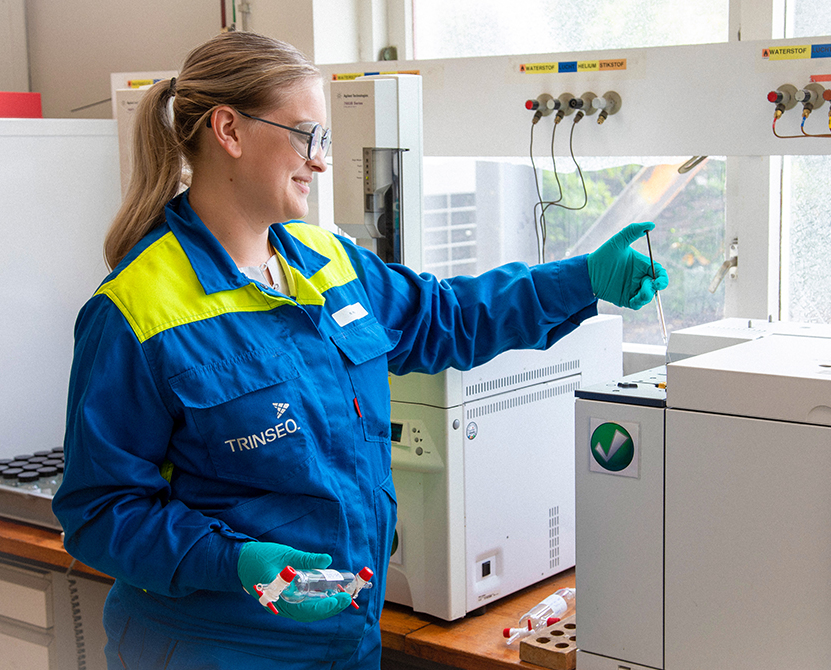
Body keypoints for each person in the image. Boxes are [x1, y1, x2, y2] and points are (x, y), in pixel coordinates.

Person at [52, 31, 668, 670]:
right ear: (228, 130)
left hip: (344, 639)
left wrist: (581, 279)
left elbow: (443, 317)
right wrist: (233, 561)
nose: (321, 162)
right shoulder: (135, 313)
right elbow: (98, 513)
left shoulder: (324, 260)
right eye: (305, 135)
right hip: (217, 648)